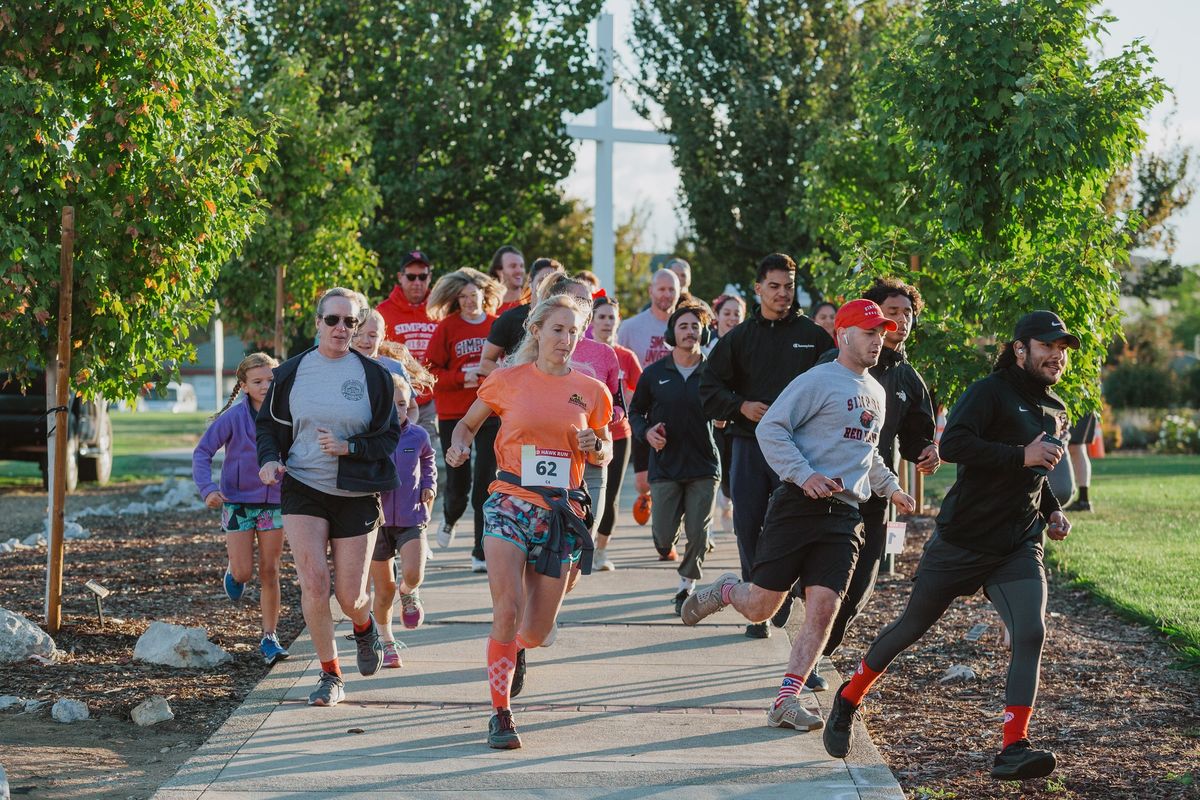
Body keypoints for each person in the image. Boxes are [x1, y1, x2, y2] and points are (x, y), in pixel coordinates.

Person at [822, 310, 1078, 782]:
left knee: (1031, 633)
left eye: (1062, 349)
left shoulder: (1053, 407)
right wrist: (1021, 455)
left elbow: (1033, 476)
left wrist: (1051, 510)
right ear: (1020, 349)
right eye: (1048, 346)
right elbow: (955, 445)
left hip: (1017, 543)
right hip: (962, 539)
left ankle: (1013, 747)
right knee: (910, 628)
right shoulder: (989, 392)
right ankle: (849, 696)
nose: (1057, 356)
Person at [683, 299, 915, 734]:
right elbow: (771, 427)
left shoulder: (878, 392)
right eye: (869, 332)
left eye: (881, 333)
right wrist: (804, 475)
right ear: (843, 335)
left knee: (823, 607)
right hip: (798, 506)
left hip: (846, 516)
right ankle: (728, 589)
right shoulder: (816, 380)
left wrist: (893, 488)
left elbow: (869, 457)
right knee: (762, 608)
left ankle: (786, 700)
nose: (878, 340)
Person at [446, 294, 613, 750]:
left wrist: (594, 447)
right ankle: (500, 712)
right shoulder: (507, 380)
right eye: (557, 329)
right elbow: (467, 424)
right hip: (509, 502)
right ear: (537, 331)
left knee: (536, 632)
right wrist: (458, 446)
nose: (566, 339)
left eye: (573, 331)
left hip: (560, 514)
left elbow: (605, 449)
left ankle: (516, 648)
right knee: (506, 609)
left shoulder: (592, 390)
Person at [256, 287, 401, 707]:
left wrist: (349, 447)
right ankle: (330, 674)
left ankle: (363, 624)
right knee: (314, 584)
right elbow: (268, 428)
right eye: (333, 320)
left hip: (355, 491)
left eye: (350, 322)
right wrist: (269, 461)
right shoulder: (291, 372)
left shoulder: (373, 376)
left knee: (349, 595)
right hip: (303, 485)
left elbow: (389, 436)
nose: (341, 328)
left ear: (358, 327)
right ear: (318, 323)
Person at [699, 253, 835, 638]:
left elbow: (834, 384)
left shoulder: (814, 338)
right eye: (774, 286)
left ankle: (785, 591)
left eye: (789, 287)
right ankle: (755, 600)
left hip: (800, 450)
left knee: (792, 522)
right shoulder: (740, 338)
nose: (782, 294)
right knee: (748, 524)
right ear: (757, 289)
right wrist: (740, 405)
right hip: (749, 445)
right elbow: (708, 388)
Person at [814, 278, 940, 676]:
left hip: (876, 493)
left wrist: (928, 453)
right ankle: (805, 654)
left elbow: (918, 436)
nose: (901, 320)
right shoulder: (831, 366)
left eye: (908, 313)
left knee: (859, 590)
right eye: (893, 312)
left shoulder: (909, 380)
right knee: (824, 584)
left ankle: (817, 655)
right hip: (828, 491)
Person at [192, 352, 290, 666]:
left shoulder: (286, 415)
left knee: (270, 570)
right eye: (257, 381)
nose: (265, 386)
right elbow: (203, 451)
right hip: (236, 503)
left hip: (274, 503)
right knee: (244, 571)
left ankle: (269, 637)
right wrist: (208, 490)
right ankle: (233, 573)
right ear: (244, 386)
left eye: (270, 380)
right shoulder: (234, 417)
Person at [629, 305, 720, 614]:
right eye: (683, 326)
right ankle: (680, 535)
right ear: (671, 334)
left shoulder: (714, 372)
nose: (689, 331)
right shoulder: (654, 374)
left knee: (698, 531)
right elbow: (635, 413)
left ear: (703, 333)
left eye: (695, 326)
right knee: (663, 537)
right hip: (665, 467)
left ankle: (686, 585)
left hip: (704, 465)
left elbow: (728, 406)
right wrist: (647, 432)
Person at [425, 267, 504, 572]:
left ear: (485, 295)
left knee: (486, 479)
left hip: (489, 412)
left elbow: (511, 364)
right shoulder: (447, 328)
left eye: (475, 295)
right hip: (455, 413)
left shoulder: (496, 326)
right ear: (456, 300)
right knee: (459, 481)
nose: (470, 302)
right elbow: (431, 371)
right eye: (464, 297)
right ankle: (451, 514)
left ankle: (479, 551)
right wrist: (461, 376)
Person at [369, 374, 437, 668]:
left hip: (411, 516)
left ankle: (409, 593)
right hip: (376, 522)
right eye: (390, 404)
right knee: (383, 591)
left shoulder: (417, 435)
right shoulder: (369, 437)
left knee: (413, 574)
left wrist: (429, 485)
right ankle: (386, 641)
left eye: (401, 404)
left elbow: (428, 460)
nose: (397, 411)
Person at [619, 268, 681, 524]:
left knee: (678, 477)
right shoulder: (631, 327)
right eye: (662, 289)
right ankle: (649, 498)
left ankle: (669, 531)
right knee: (643, 482)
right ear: (651, 291)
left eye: (671, 290)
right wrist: (627, 408)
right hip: (643, 413)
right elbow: (619, 370)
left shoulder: (685, 324)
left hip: (678, 412)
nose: (666, 294)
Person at [590, 295, 642, 570]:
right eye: (602, 317)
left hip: (619, 435)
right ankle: (580, 545)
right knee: (581, 490)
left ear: (618, 321)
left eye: (612, 317)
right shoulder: (582, 352)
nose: (607, 322)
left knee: (609, 495)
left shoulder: (625, 357)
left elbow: (645, 389)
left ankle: (601, 550)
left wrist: (633, 409)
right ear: (592, 321)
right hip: (584, 435)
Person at [377, 250, 438, 441]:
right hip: (395, 399)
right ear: (400, 277)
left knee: (426, 451)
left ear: (430, 277)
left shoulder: (439, 310)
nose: (417, 282)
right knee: (397, 451)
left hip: (430, 400)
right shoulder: (383, 311)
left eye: (422, 276)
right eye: (411, 277)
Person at [478, 258, 564, 375]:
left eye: (555, 282)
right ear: (530, 282)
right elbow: (485, 363)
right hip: (519, 389)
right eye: (542, 280)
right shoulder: (510, 318)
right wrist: (514, 379)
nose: (547, 287)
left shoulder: (567, 320)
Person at [708, 293, 747, 532]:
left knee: (733, 470)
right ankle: (707, 525)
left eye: (737, 314)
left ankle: (728, 505)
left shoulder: (747, 345)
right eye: (727, 313)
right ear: (717, 316)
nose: (732, 318)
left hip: (737, 416)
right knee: (712, 469)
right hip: (710, 418)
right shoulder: (707, 345)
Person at [1064, 411, 1097, 511]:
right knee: (1078, 447)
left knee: (1075, 446)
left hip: (1078, 400)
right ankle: (1083, 499)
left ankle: (1083, 499)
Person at [489, 245, 526, 314]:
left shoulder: (534, 303)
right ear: (499, 271)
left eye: (521, 266)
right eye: (513, 266)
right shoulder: (488, 308)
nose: (519, 271)